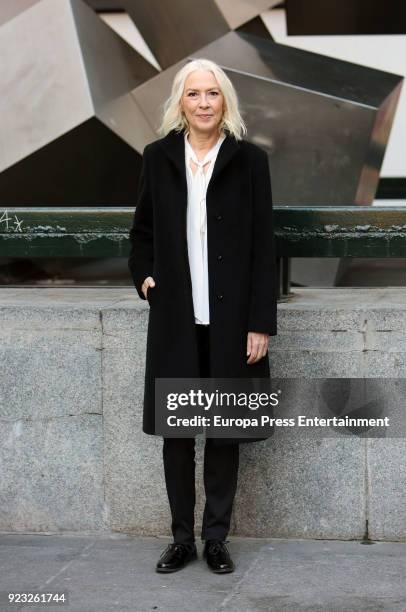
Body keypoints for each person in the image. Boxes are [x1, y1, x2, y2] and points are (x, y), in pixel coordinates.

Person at [128, 58, 277, 574]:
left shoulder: (250, 162)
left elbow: (264, 247)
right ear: (181, 102)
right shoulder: (157, 157)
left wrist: (260, 323)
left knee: (222, 429)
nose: (204, 103)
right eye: (194, 94)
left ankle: (215, 539)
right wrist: (144, 274)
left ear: (225, 101)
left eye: (213, 94)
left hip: (231, 319)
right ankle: (180, 539)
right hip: (175, 316)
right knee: (177, 430)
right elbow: (142, 230)